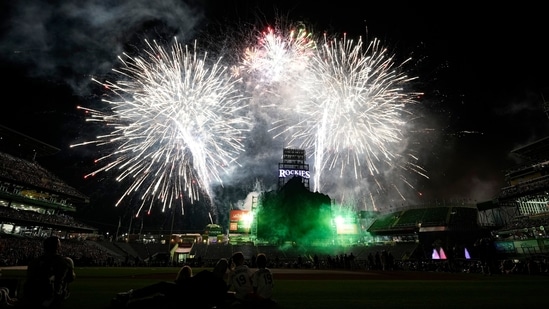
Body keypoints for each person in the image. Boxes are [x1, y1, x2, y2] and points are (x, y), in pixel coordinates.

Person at [21, 236, 76, 309]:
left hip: (33, 295)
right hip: (52, 296)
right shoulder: (64, 262)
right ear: (58, 246)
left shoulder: (34, 261)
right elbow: (70, 278)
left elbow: (29, 278)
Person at [112, 265, 193, 308]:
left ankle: (131, 296)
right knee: (157, 298)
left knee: (159, 291)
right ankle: (130, 301)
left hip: (178, 295)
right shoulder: (191, 283)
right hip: (179, 296)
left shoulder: (183, 285)